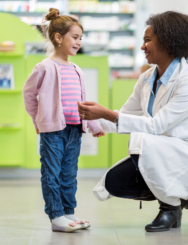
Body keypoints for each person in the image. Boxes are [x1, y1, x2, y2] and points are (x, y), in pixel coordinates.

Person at [79, 11, 188, 232]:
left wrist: (105, 114)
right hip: (160, 149)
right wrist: (88, 123)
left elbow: (156, 126)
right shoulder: (146, 78)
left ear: (167, 40)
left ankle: (170, 208)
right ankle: (177, 195)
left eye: (147, 40)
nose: (142, 47)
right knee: (115, 182)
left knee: (143, 140)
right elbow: (126, 114)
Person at [23, 8, 105, 233]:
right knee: (52, 173)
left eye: (81, 38)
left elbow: (82, 101)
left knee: (69, 173)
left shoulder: (77, 70)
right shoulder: (45, 67)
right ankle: (56, 216)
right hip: (53, 130)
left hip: (75, 130)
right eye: (75, 37)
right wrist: (37, 120)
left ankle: (68, 212)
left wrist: (93, 124)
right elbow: (28, 94)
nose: (79, 42)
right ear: (58, 38)